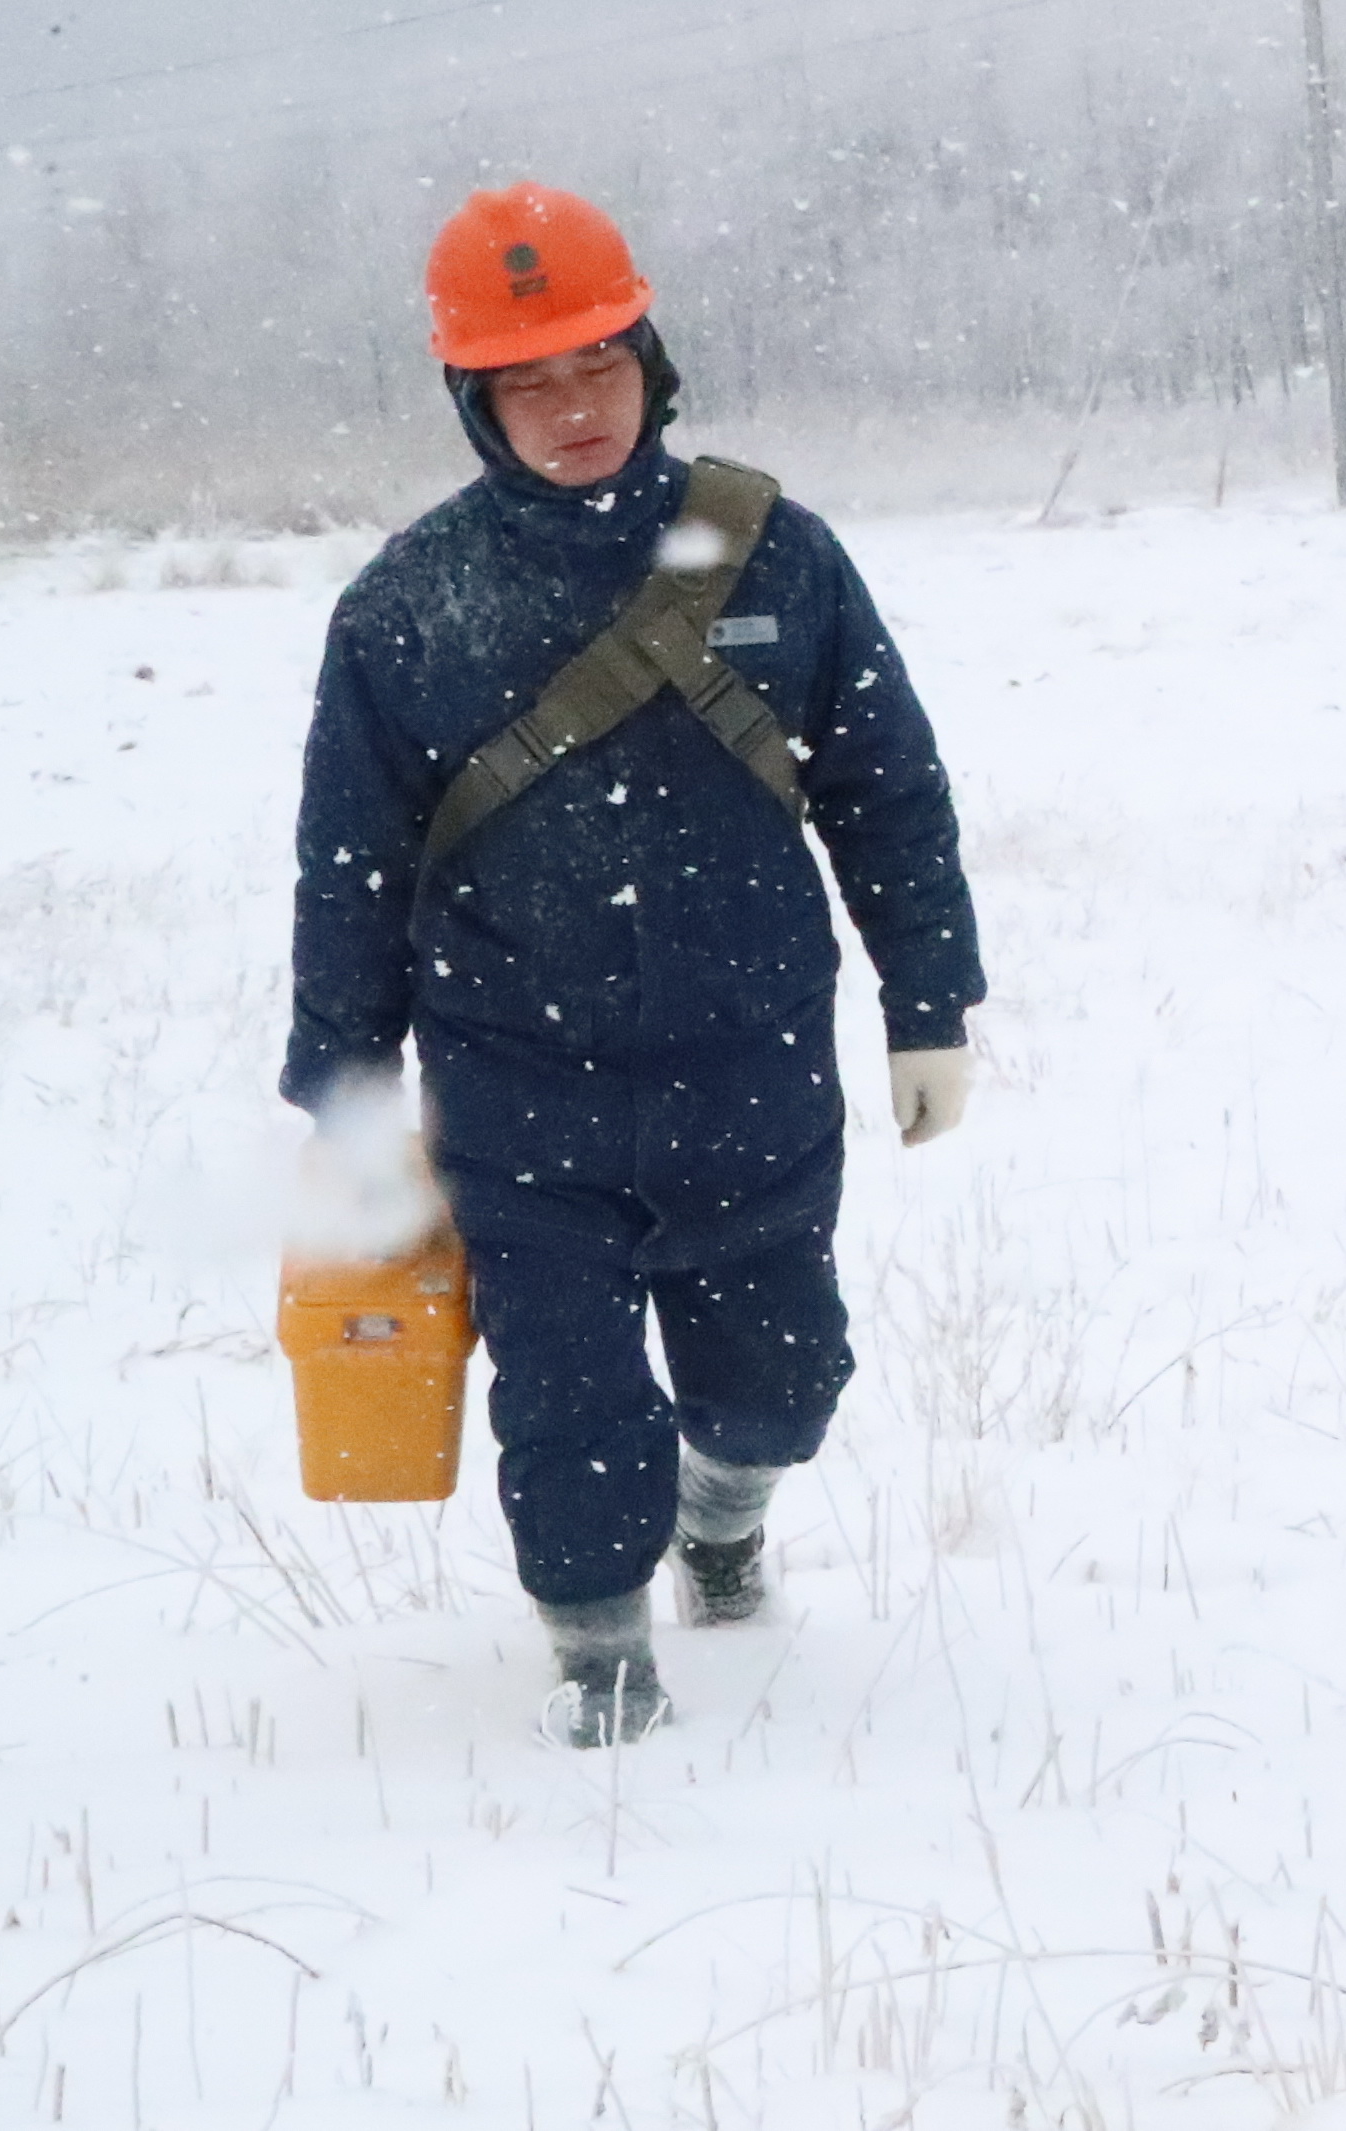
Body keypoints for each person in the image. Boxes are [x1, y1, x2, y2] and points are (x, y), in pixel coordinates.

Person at [284, 182, 986, 1747]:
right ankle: (601, 1661)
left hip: (751, 1061)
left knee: (783, 1378)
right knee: (570, 1408)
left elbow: (889, 792)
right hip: (518, 1082)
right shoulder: (406, 607)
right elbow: (351, 858)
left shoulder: (772, 553)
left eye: (596, 365)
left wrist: (929, 1003)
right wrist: (338, 1079)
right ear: (475, 400)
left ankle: (723, 1520)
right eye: (526, 380)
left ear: (650, 361)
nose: (572, 407)